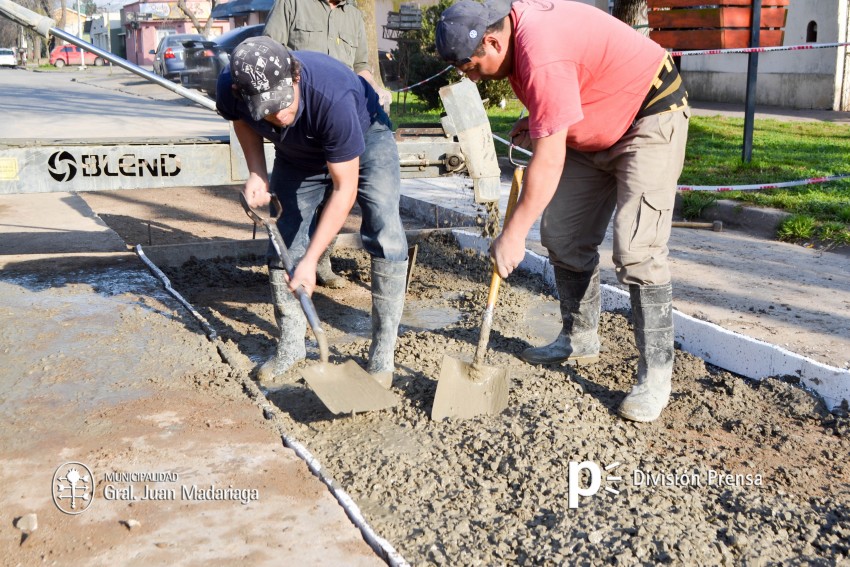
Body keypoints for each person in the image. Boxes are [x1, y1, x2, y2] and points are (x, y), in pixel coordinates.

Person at [435, 0, 690, 422]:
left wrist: (513, 235)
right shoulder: (514, 33)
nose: (471, 75)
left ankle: (656, 377)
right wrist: (537, 116)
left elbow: (549, 161)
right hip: (593, 124)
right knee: (563, 235)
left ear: (494, 41)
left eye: (471, 66)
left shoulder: (541, 53)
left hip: (648, 116)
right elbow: (563, 83)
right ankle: (580, 337)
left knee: (637, 251)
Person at [217, 36, 408, 386]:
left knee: (384, 229)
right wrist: (257, 172)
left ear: (295, 76)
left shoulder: (333, 97)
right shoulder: (232, 86)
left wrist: (311, 262)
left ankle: (382, 355)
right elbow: (241, 121)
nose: (277, 114)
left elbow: (344, 189)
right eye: (267, 109)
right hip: (297, 153)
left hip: (365, 138)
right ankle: (292, 348)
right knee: (286, 236)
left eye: (282, 102)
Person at [263, 0, 393, 288]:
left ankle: (320, 257)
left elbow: (361, 66)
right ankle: (298, 263)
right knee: (300, 198)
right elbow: (268, 56)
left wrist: (371, 89)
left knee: (338, 191)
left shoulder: (355, 16)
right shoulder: (292, 4)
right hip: (299, 116)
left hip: (341, 116)